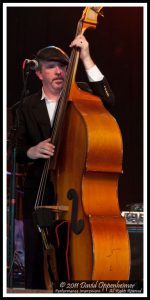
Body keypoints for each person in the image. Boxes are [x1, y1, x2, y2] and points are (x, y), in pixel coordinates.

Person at [16, 33, 115, 289]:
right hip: (39, 191)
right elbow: (13, 149)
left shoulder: (81, 96)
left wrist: (86, 57)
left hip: (74, 196)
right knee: (36, 259)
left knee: (70, 260)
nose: (59, 71)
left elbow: (109, 99)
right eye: (51, 67)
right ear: (39, 74)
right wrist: (30, 152)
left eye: (62, 66)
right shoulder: (25, 106)